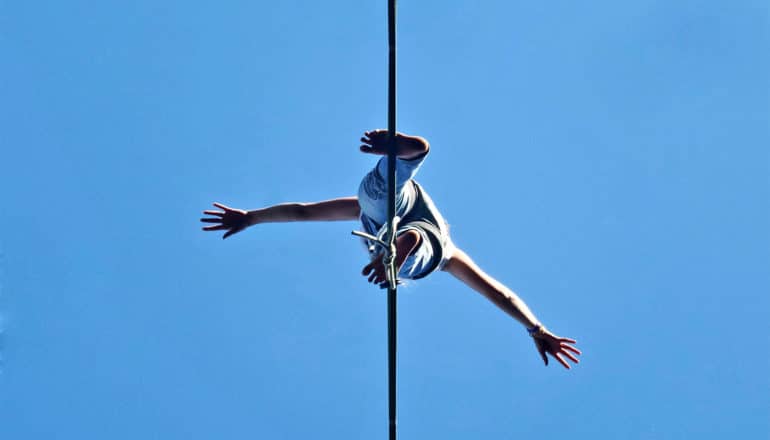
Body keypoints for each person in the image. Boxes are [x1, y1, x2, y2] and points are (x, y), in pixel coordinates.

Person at [201, 130, 581, 369]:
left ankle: (407, 177)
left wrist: (251, 218)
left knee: (386, 212)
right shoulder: (439, 247)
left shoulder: (381, 222)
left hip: (391, 212)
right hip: (392, 209)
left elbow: (302, 212)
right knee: (391, 213)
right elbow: (499, 293)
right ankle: (407, 169)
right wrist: (250, 218)